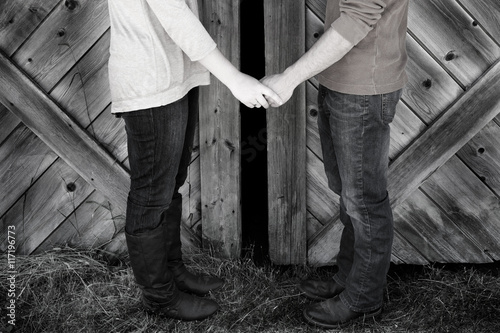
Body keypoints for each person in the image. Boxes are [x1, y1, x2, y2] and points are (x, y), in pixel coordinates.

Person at [107, 0, 282, 322]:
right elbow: (175, 16)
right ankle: (159, 296)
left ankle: (173, 272)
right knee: (151, 195)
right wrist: (235, 78)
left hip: (175, 74)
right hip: (150, 80)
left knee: (170, 182)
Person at [262, 0, 409, 328]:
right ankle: (349, 277)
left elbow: (359, 16)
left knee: (364, 202)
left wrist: (289, 78)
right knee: (349, 194)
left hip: (363, 89)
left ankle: (364, 298)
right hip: (341, 80)